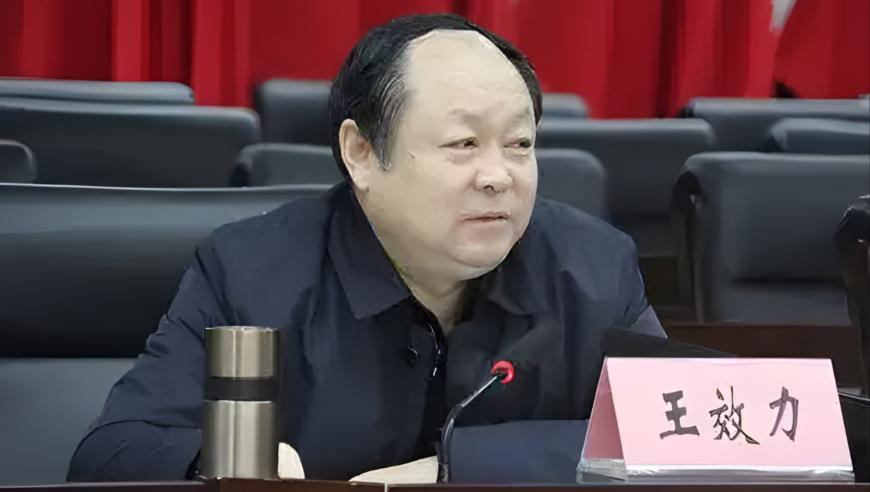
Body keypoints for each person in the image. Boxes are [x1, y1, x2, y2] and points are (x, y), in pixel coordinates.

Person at [68, 13, 664, 483]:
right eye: (463, 144)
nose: (498, 176)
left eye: (519, 144)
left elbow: (683, 440)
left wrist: (458, 468)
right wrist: (230, 461)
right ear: (360, 153)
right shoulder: (251, 273)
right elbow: (112, 452)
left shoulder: (594, 268)